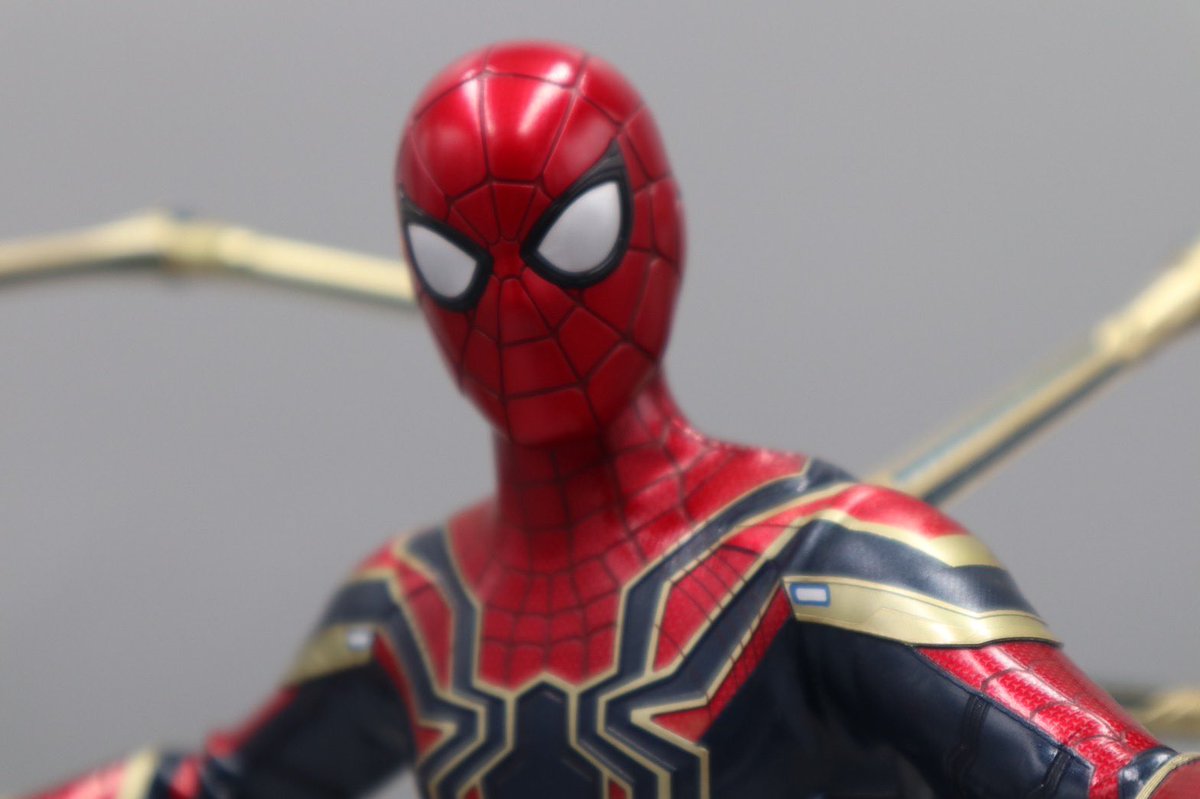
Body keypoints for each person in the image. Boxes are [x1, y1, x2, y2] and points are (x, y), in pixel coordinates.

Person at [21, 41, 1199, 799]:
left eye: (567, 242)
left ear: (655, 230)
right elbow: (219, 787)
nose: (514, 309)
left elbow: (1108, 777)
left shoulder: (828, 561)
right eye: (454, 264)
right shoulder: (414, 610)